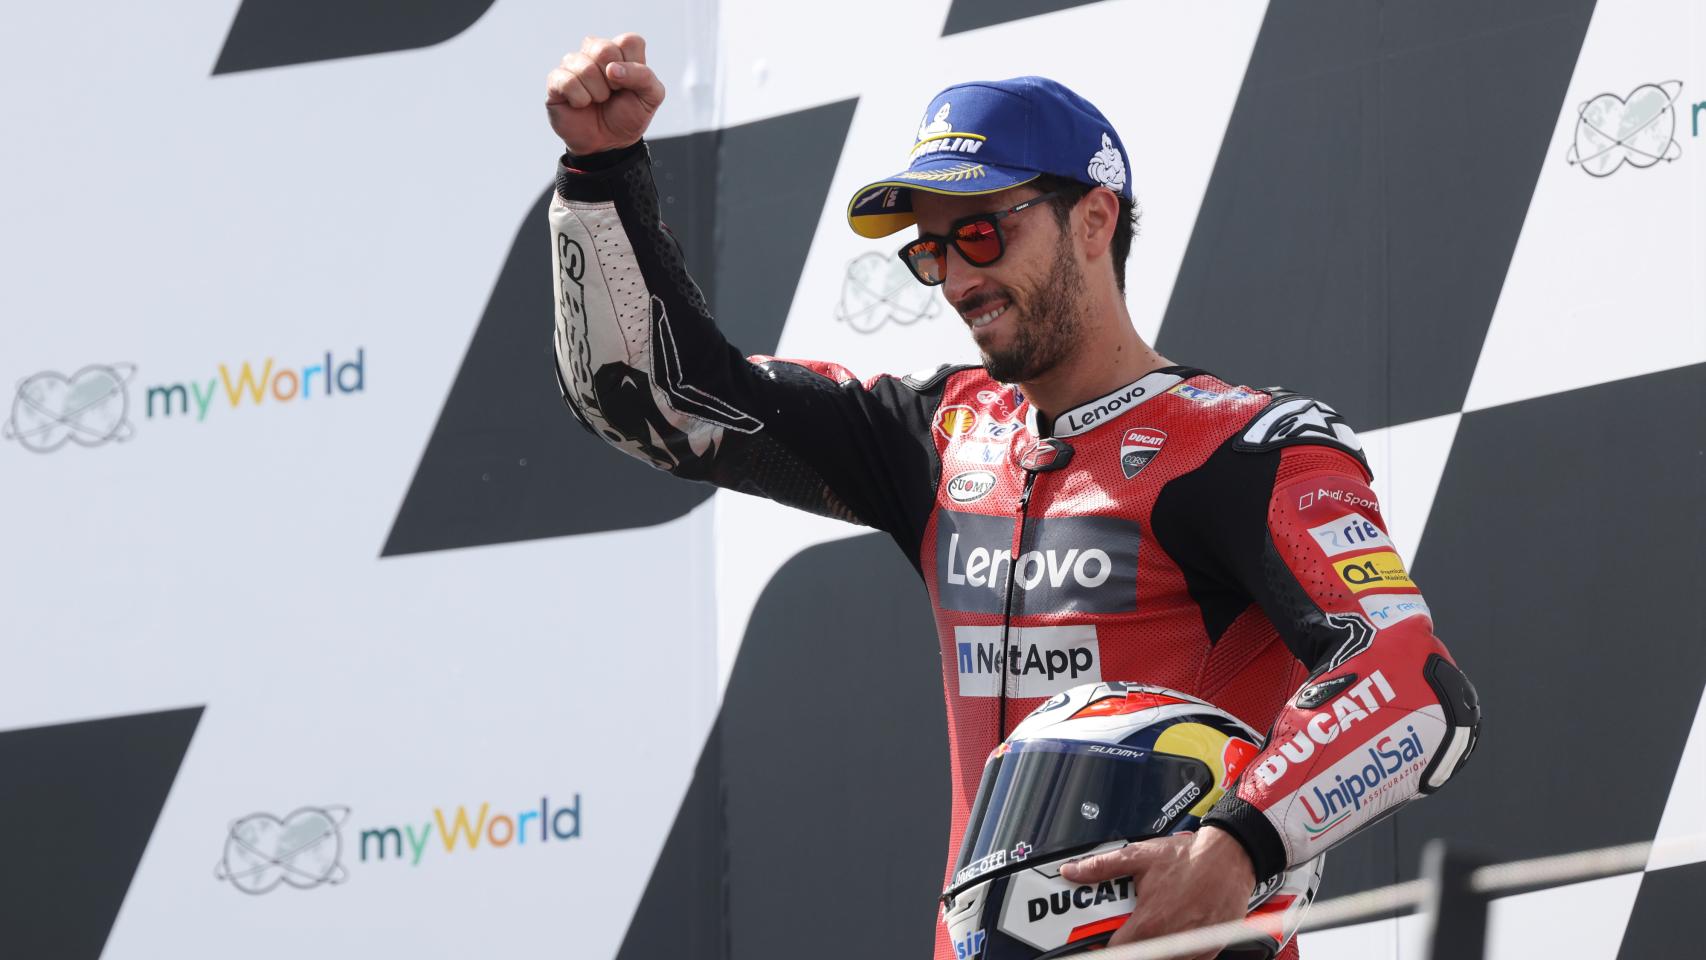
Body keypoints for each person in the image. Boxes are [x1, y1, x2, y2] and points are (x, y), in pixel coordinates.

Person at [544, 34, 1481, 960]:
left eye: (984, 232)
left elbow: (1412, 685)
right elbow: (655, 400)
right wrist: (601, 171)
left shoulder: (1244, 447)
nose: (956, 278)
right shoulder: (935, 436)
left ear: (1094, 221)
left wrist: (1240, 844)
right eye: (931, 251)